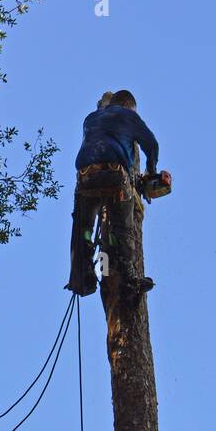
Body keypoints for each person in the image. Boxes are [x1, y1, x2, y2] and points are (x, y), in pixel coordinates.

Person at [66, 89, 159, 297]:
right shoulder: (129, 116)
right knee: (122, 227)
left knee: (84, 228)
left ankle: (83, 275)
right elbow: (151, 145)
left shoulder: (90, 118)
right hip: (115, 176)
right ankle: (129, 277)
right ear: (128, 106)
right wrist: (151, 172)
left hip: (86, 178)